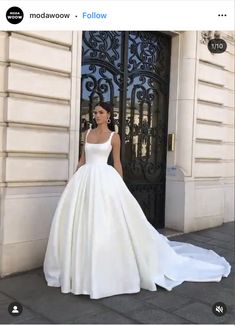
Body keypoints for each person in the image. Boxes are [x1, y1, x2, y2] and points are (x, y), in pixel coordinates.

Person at [43, 102, 231, 300]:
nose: (96, 115)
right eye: (95, 112)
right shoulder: (87, 134)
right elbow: (82, 160)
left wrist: (120, 186)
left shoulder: (114, 137)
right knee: (82, 220)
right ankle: (81, 266)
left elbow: (117, 162)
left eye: (101, 112)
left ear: (108, 116)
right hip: (84, 180)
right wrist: (73, 179)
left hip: (105, 180)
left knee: (106, 220)